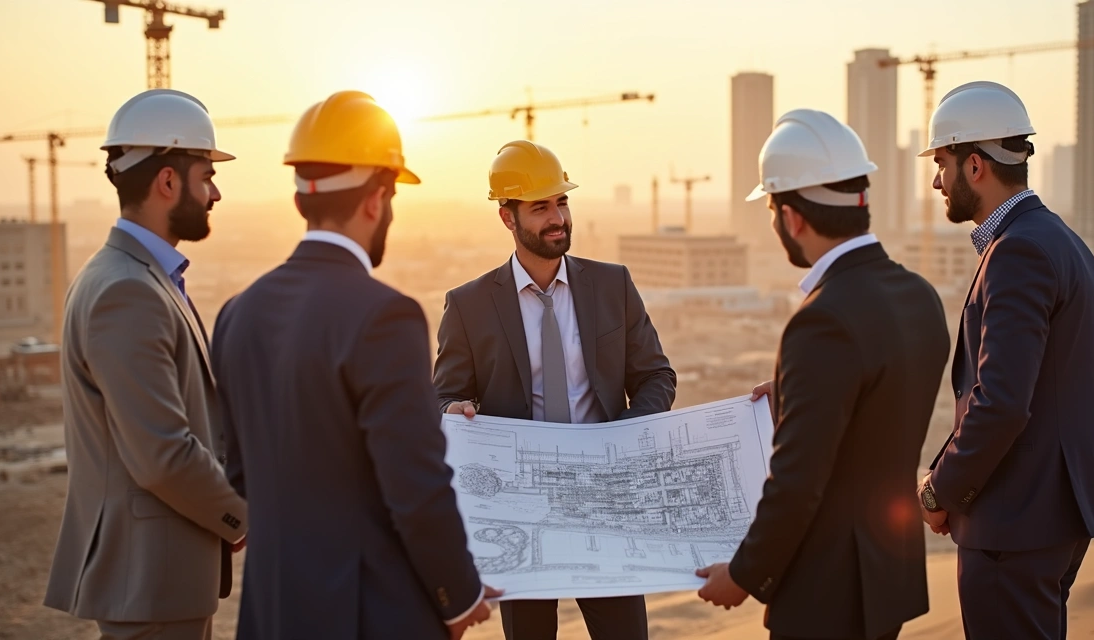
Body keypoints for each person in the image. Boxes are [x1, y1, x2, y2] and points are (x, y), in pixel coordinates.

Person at [210, 91, 498, 640]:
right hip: (369, 615)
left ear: (301, 200)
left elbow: (242, 478)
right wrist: (458, 596)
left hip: (272, 613)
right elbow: (415, 486)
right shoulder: (384, 317)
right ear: (376, 199)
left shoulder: (237, 314)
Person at [695, 109, 950, 640]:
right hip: (886, 575)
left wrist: (743, 574)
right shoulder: (919, 297)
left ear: (791, 217)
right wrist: (795, 392)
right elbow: (877, 405)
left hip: (826, 594)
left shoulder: (822, 320)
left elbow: (798, 482)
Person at [432, 139, 677, 640]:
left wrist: (622, 438)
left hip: (606, 502)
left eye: (562, 202)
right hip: (522, 512)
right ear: (507, 217)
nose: (556, 218)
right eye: (540, 207)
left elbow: (656, 376)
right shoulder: (469, 305)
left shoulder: (613, 286)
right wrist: (452, 411)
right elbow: (443, 397)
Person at [917, 81, 1094, 640]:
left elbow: (1001, 402)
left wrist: (940, 488)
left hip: (1014, 521)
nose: (936, 180)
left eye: (941, 162)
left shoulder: (1019, 252)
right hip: (1050, 514)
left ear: (975, 165)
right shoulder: (1063, 241)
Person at [43, 88, 246, 640]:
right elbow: (161, 453)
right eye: (206, 175)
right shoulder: (127, 292)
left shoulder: (131, 277)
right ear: (167, 182)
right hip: (150, 580)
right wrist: (240, 517)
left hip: (158, 580)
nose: (215, 192)